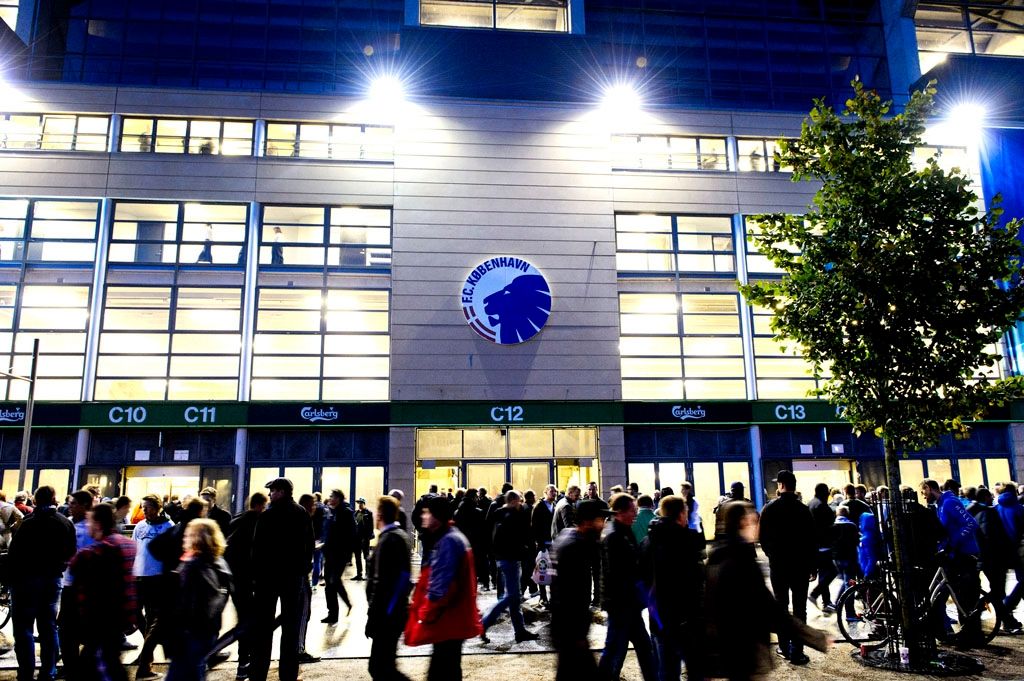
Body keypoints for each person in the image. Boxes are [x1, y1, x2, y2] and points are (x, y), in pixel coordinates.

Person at [705, 501, 829, 680]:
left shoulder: (718, 555)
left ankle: (784, 647)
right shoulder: (742, 562)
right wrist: (816, 638)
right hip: (746, 649)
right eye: (754, 521)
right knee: (797, 606)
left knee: (783, 602)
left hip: (729, 648)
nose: (757, 527)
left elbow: (710, 609)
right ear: (743, 523)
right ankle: (795, 651)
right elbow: (770, 610)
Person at [404, 496, 482, 681]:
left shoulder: (447, 541)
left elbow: (441, 586)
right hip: (453, 620)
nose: (423, 517)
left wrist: (425, 612)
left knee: (442, 671)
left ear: (436, 516)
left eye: (426, 512)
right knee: (449, 668)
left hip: (448, 620)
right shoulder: (451, 537)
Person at [249, 478, 315, 681]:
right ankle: (288, 674)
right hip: (292, 578)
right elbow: (309, 545)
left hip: (267, 579)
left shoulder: (267, 515)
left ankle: (258, 672)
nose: (269, 495)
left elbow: (257, 549)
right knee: (291, 629)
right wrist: (302, 570)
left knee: (262, 628)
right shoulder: (301, 513)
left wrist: (255, 577)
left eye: (273, 491)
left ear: (282, 492)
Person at [7, 485, 75, 681]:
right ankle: (49, 670)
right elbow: (71, 552)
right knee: (48, 626)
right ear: (54, 499)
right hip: (53, 579)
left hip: (25, 580)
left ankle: (26, 671)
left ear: (35, 501)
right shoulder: (64, 523)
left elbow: (14, 554)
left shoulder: (28, 523)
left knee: (23, 628)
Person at [68, 503, 137, 681]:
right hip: (119, 614)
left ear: (98, 524)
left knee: (100, 664)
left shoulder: (101, 550)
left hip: (101, 616)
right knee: (108, 662)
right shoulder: (128, 544)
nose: (88, 525)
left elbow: (76, 564)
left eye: (90, 521)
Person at [641, 494, 705, 681]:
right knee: (696, 668)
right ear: (680, 514)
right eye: (686, 512)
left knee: (666, 670)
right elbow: (694, 580)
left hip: (658, 617)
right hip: (684, 618)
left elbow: (642, 576)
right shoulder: (685, 541)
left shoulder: (648, 540)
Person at [757, 470, 816, 665]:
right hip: (800, 566)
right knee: (800, 608)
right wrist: (811, 566)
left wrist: (772, 554)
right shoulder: (803, 509)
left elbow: (762, 537)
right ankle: (798, 650)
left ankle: (784, 647)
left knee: (781, 606)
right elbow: (810, 540)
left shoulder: (769, 508)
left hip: (779, 565)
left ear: (781, 485)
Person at [550, 500, 611, 681]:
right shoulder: (574, 548)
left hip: (568, 629)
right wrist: (577, 633)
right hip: (570, 630)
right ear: (587, 522)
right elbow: (569, 594)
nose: (604, 524)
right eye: (601, 519)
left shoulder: (571, 539)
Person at [599, 493, 656, 681]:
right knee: (616, 647)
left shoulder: (622, 531)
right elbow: (618, 572)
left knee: (639, 646)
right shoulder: (614, 535)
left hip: (628, 603)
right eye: (633, 510)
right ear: (621, 512)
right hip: (622, 604)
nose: (636, 514)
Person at [166, 519, 232, 681]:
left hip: (190, 633)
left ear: (198, 538)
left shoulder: (194, 565)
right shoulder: (216, 562)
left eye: (189, 535)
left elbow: (187, 602)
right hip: (205, 631)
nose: (185, 538)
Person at [210, 492, 267, 680]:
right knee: (248, 622)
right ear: (260, 505)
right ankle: (243, 663)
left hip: (233, 578)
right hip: (249, 578)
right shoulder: (258, 522)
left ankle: (242, 663)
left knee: (244, 619)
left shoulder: (236, 520)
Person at [480, 490, 539, 643]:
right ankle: (483, 624)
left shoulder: (500, 514)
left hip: (504, 559)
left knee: (514, 598)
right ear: (513, 501)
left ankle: (520, 631)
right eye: (519, 500)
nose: (521, 503)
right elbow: (515, 540)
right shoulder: (511, 516)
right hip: (510, 559)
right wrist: (525, 551)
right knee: (511, 597)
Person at [366, 496, 412, 681]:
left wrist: (376, 615)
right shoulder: (400, 536)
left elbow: (382, 582)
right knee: (383, 666)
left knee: (379, 668)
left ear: (379, 515)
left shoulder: (388, 540)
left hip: (387, 614)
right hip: (393, 611)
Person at [131, 494, 176, 680]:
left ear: (158, 508)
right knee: (136, 615)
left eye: (148, 507)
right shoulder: (140, 526)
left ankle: (146, 659)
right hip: (139, 575)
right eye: (143, 507)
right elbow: (134, 547)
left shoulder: (168, 526)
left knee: (152, 618)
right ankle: (147, 647)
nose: (145, 511)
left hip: (156, 577)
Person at [967, 487, 1021, 634]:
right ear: (984, 497)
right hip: (995, 559)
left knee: (997, 593)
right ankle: (977, 612)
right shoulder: (987, 512)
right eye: (989, 496)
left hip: (987, 559)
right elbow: (990, 537)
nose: (992, 498)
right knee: (997, 592)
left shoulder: (971, 511)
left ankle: (1008, 621)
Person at [57, 489, 95, 680]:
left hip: (85, 585)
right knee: (65, 628)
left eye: (73, 503)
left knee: (82, 628)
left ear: (85, 505)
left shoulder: (91, 528)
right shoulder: (69, 523)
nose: (69, 507)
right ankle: (71, 665)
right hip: (69, 583)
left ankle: (81, 665)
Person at [322, 488, 355, 625]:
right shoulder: (330, 512)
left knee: (334, 581)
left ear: (339, 498)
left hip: (340, 553)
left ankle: (344, 605)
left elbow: (351, 533)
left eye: (332, 496)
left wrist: (348, 554)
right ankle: (332, 613)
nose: (330, 498)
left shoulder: (346, 512)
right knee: (329, 584)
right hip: (329, 553)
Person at [996, 482, 1024, 632]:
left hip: (1002, 550)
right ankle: (1007, 608)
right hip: (1019, 548)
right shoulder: (1019, 508)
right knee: (1022, 581)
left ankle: (1007, 619)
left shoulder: (996, 508)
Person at [807, 482, 837, 613]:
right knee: (832, 572)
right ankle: (815, 594)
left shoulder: (810, 503)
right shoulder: (822, 506)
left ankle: (826, 602)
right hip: (823, 546)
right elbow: (829, 527)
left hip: (813, 545)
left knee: (824, 573)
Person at [831, 506, 860, 620]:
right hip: (850, 558)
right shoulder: (851, 526)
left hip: (837, 559)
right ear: (847, 514)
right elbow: (857, 541)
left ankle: (838, 603)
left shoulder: (833, 526)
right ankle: (849, 613)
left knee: (845, 582)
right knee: (849, 584)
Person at [531, 484, 558, 605]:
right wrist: (539, 541)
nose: (554, 493)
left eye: (555, 491)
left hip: (553, 543)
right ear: (545, 492)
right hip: (542, 543)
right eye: (551, 491)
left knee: (552, 570)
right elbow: (534, 525)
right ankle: (543, 596)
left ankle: (552, 595)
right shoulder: (539, 506)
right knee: (542, 569)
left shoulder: (555, 506)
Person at [354, 497, 374, 581]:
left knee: (366, 556)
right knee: (357, 557)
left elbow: (371, 526)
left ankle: (367, 574)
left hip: (365, 537)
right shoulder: (356, 513)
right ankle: (359, 574)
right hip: (357, 538)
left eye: (361, 503)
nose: (359, 505)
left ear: (364, 504)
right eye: (358, 503)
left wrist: (368, 536)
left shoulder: (368, 513)